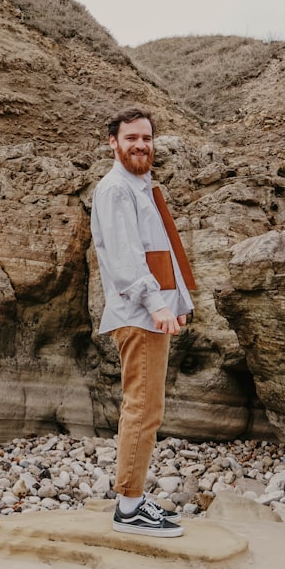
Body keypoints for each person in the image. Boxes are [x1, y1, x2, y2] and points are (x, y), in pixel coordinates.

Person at [90, 107, 196, 538]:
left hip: (151, 311)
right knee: (143, 409)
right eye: (130, 138)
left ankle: (133, 500)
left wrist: (178, 301)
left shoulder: (141, 186)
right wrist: (156, 305)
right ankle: (129, 508)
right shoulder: (115, 189)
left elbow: (161, 250)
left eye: (146, 138)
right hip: (138, 315)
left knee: (147, 408)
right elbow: (125, 259)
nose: (140, 145)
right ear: (112, 142)